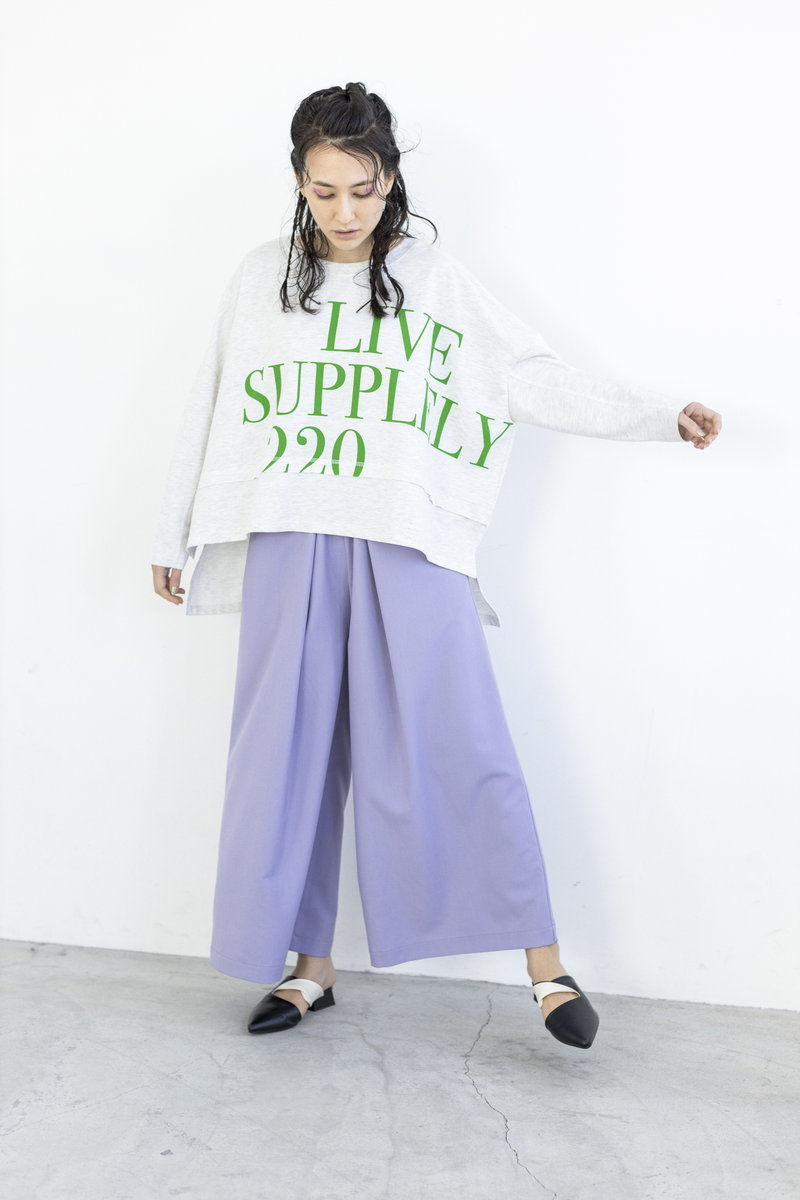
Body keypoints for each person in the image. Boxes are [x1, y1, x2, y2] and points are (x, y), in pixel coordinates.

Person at [151, 82, 722, 1051]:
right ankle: (308, 968)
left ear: (390, 180)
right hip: (288, 530)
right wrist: (175, 534)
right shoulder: (260, 279)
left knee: (460, 743)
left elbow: (526, 376)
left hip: (406, 537)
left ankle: (546, 968)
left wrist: (656, 416)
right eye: (324, 190)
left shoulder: (434, 279)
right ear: (298, 182)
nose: (344, 211)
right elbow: (210, 400)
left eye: (363, 189)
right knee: (286, 760)